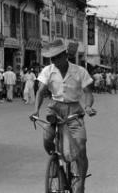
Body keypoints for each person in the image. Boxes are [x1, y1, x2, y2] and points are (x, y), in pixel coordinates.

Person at [31, 39, 95, 193]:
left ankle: (80, 182)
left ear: (65, 55)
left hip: (74, 109)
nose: (55, 61)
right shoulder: (48, 70)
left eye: (58, 57)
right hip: (54, 107)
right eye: (52, 58)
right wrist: (35, 110)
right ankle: (55, 162)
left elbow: (88, 93)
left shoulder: (80, 71)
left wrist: (87, 106)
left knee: (80, 147)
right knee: (47, 139)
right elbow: (40, 92)